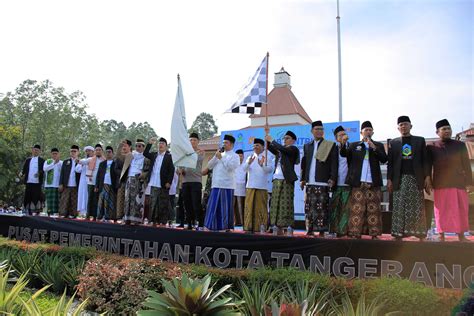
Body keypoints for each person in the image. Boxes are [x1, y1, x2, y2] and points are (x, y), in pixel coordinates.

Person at [340, 121, 387, 239]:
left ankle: (374, 234)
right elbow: (344, 154)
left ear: (373, 132)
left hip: (373, 183)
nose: (368, 131)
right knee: (356, 209)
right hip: (358, 183)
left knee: (374, 210)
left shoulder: (378, 145)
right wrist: (343, 144)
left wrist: (373, 147)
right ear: (361, 132)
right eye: (366, 130)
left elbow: (384, 159)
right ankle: (355, 233)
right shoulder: (354, 145)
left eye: (370, 130)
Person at [428, 119, 472, 242]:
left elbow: (466, 165)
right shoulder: (432, 146)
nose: (447, 131)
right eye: (444, 129)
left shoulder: (460, 145)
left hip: (458, 183)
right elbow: (428, 165)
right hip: (441, 183)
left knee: (461, 209)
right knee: (441, 210)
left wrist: (469, 183)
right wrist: (428, 179)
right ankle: (441, 234)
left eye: (449, 128)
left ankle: (461, 235)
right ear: (437, 132)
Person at [388, 116, 431, 241]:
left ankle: (420, 233)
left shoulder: (419, 141)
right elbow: (390, 163)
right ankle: (398, 233)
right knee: (399, 206)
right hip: (399, 179)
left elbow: (425, 160)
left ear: (410, 126)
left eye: (405, 124)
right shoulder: (394, 143)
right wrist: (389, 179)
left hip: (415, 178)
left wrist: (427, 176)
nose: (403, 126)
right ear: (398, 128)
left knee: (417, 206)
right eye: (401, 125)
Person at [300, 121, 338, 236]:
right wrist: (303, 179)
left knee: (322, 208)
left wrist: (332, 178)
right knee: (309, 207)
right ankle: (310, 229)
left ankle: (321, 231)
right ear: (312, 131)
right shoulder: (307, 146)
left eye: (321, 129)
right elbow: (304, 164)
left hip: (323, 182)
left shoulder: (330, 145)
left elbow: (333, 163)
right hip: (310, 182)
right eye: (317, 129)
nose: (319, 131)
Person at [265, 130, 300, 235]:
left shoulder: (293, 149)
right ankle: (276, 226)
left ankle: (287, 226)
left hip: (287, 179)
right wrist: (267, 138)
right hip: (276, 179)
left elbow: (283, 149)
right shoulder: (280, 150)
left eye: (287, 138)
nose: (285, 140)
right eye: (284, 138)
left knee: (286, 203)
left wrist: (272, 140)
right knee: (276, 203)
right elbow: (270, 147)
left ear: (293, 140)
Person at [204, 134, 240, 231]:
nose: (224, 145)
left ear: (231, 144)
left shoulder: (235, 156)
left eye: (226, 143)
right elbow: (209, 166)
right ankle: (211, 226)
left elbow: (231, 167)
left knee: (224, 208)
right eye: (223, 143)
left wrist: (221, 158)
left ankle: (224, 227)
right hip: (216, 184)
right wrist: (216, 157)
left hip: (227, 185)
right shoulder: (219, 154)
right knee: (213, 207)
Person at [243, 138, 274, 233]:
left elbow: (269, 170)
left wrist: (262, 165)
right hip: (250, 186)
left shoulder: (267, 157)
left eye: (257, 145)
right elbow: (244, 169)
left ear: (263, 147)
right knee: (249, 207)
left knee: (261, 208)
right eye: (254, 145)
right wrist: (248, 163)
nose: (255, 147)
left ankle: (260, 228)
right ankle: (248, 227)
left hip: (262, 187)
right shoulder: (250, 157)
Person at [144, 137, 174, 226]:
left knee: (163, 204)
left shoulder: (169, 157)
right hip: (153, 182)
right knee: (153, 203)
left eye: (162, 144)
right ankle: (152, 221)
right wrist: (149, 144)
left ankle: (163, 222)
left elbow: (171, 170)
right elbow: (145, 153)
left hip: (163, 183)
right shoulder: (154, 155)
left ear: (166, 146)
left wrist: (169, 182)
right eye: (159, 143)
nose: (160, 145)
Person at [179, 133, 205, 229]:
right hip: (185, 182)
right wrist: (180, 170)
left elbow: (194, 160)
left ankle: (201, 223)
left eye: (194, 140)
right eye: (191, 140)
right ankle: (189, 223)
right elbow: (179, 167)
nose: (192, 142)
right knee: (187, 204)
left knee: (196, 204)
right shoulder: (185, 153)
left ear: (198, 142)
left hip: (196, 181)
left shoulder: (200, 152)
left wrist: (185, 156)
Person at [329, 125, 351, 237]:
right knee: (334, 208)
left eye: (344, 134)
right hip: (336, 183)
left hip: (348, 183)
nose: (343, 136)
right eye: (340, 135)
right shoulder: (332, 148)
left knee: (345, 209)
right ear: (336, 138)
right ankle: (333, 230)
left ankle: (343, 231)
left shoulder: (352, 147)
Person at [123, 139, 150, 224]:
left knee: (137, 201)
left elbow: (148, 170)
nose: (137, 148)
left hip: (138, 180)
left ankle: (136, 220)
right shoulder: (131, 155)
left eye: (139, 146)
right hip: (129, 179)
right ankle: (127, 218)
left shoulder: (146, 158)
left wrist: (143, 175)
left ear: (143, 147)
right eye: (136, 146)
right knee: (128, 199)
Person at [21, 144, 45, 215]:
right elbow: (24, 169)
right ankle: (26, 211)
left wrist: (39, 173)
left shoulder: (42, 160)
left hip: (37, 183)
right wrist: (21, 174)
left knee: (36, 197)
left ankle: (36, 213)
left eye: (37, 150)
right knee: (27, 197)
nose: (35, 151)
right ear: (32, 150)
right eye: (34, 150)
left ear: (39, 151)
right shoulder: (28, 160)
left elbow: (44, 170)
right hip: (28, 182)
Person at [96, 146, 117, 222]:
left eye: (109, 152)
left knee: (110, 202)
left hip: (111, 185)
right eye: (107, 152)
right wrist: (96, 186)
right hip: (102, 185)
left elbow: (117, 175)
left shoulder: (115, 163)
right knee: (101, 202)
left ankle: (109, 218)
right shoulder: (102, 164)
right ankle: (100, 217)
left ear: (112, 153)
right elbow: (98, 175)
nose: (108, 153)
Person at [59, 145, 81, 218]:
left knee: (74, 201)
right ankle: (64, 215)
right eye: (71, 151)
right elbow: (62, 173)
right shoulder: (66, 162)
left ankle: (74, 215)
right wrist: (61, 183)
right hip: (66, 185)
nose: (73, 153)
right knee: (65, 200)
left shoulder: (81, 162)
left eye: (75, 151)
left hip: (76, 185)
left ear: (78, 152)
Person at [85, 144, 105, 220]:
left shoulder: (104, 161)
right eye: (96, 150)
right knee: (89, 199)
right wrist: (78, 160)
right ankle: (87, 215)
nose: (98, 151)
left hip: (99, 184)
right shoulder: (91, 159)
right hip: (91, 182)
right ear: (95, 151)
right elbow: (83, 161)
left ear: (102, 151)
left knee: (96, 200)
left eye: (99, 150)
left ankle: (95, 216)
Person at [115, 140, 133, 221]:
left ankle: (128, 217)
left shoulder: (132, 156)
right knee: (120, 199)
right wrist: (123, 173)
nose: (124, 147)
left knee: (129, 200)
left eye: (125, 146)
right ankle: (119, 216)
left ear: (130, 147)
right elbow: (115, 169)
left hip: (131, 182)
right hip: (121, 181)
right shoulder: (118, 158)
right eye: (123, 146)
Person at [43, 148, 63, 215]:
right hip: (49, 185)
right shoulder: (47, 161)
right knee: (49, 201)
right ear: (51, 154)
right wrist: (54, 163)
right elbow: (45, 169)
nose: (54, 155)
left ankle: (57, 214)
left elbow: (63, 173)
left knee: (57, 201)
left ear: (58, 154)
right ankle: (49, 214)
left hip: (57, 185)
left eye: (56, 154)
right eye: (53, 154)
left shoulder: (61, 162)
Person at [76, 146, 94, 217]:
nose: (88, 152)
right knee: (82, 195)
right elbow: (77, 170)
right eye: (86, 151)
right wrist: (82, 164)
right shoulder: (83, 160)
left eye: (89, 151)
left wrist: (82, 162)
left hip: (91, 180)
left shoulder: (93, 159)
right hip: (83, 180)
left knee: (88, 195)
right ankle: (82, 212)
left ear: (92, 152)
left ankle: (89, 212)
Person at [233, 149, 247, 227]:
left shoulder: (245, 165)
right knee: (233, 206)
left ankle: (242, 222)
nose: (240, 157)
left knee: (241, 205)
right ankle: (235, 222)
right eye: (238, 156)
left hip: (242, 188)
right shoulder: (233, 165)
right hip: (233, 187)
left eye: (241, 156)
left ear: (243, 157)